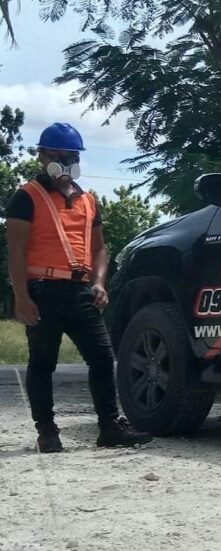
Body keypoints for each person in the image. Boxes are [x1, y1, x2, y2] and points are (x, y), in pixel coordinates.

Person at [5, 122, 153, 453]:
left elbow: (100, 248)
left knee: (103, 358)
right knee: (43, 363)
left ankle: (110, 427)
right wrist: (22, 297)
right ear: (42, 156)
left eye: (71, 156)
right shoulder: (25, 197)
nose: (66, 163)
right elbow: (15, 251)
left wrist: (99, 282)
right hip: (42, 292)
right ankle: (47, 431)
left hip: (80, 293)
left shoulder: (88, 200)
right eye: (58, 156)